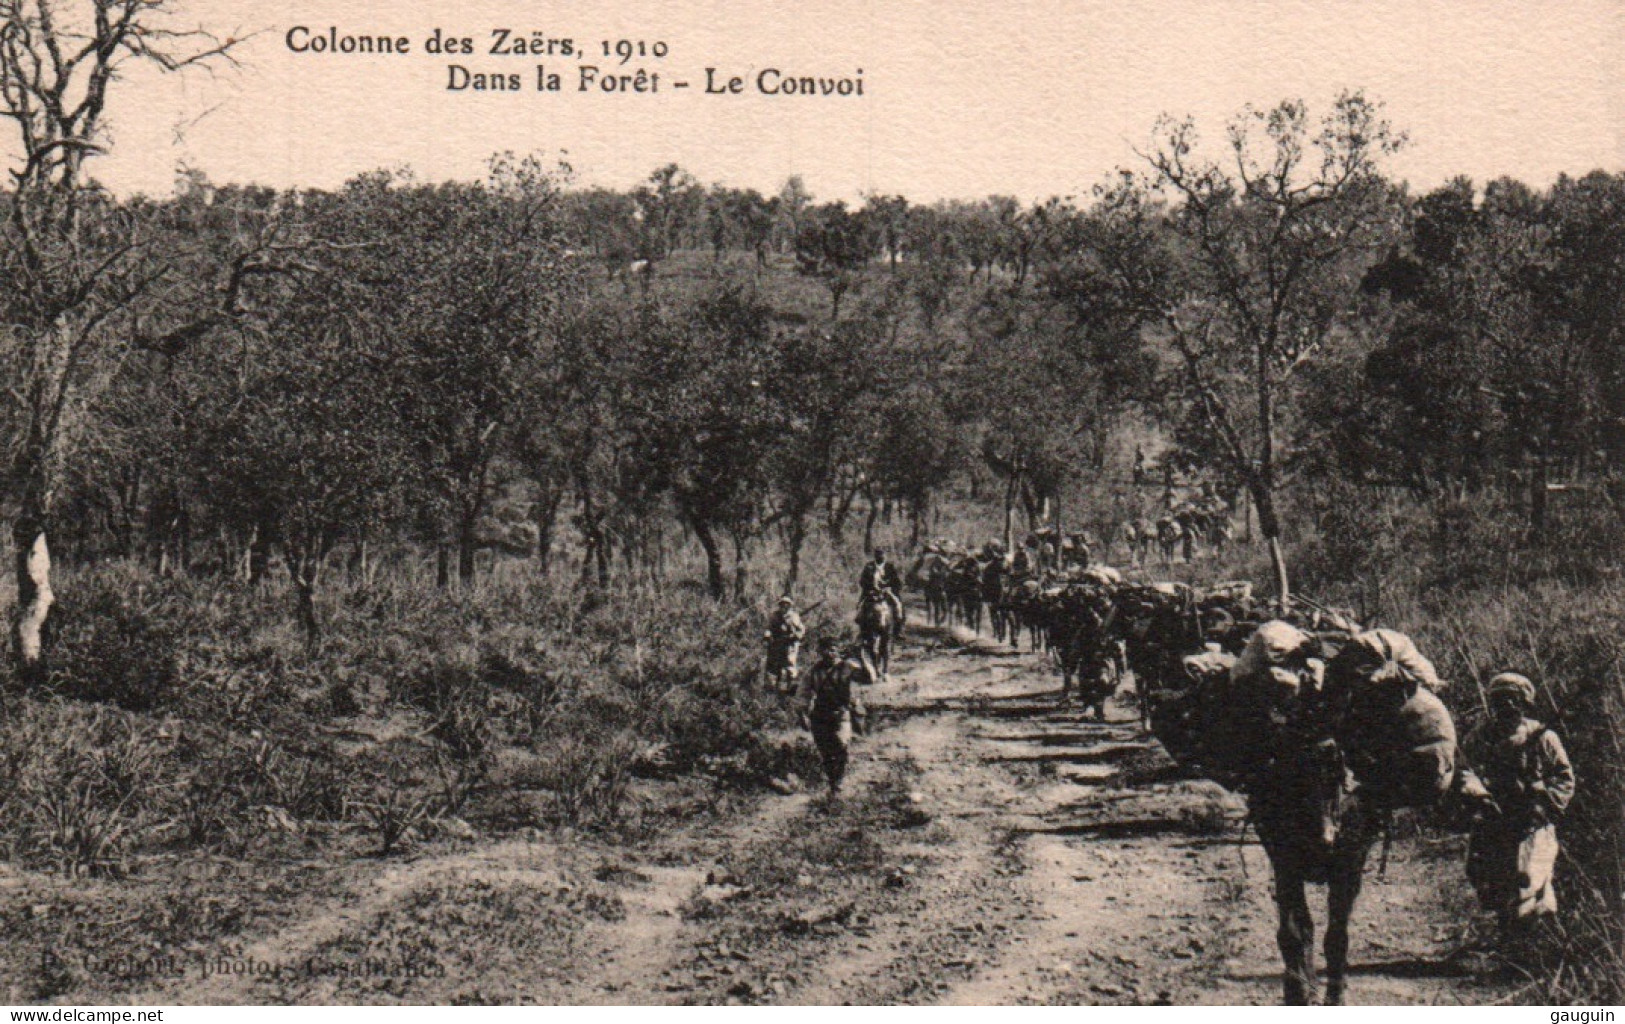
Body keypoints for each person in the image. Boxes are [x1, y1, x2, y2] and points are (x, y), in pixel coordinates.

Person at [1461, 672, 1576, 945]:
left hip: (1532, 823)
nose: (1506, 707)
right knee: (1491, 878)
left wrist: (1543, 804)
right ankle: (1507, 940)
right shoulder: (1481, 737)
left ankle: (1534, 947)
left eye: (1512, 700)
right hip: (1494, 820)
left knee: (1531, 881)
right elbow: (1464, 770)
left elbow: (1563, 777)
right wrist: (1478, 794)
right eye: (1500, 701)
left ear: (1524, 703)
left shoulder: (1543, 738)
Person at [798, 637, 869, 797]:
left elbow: (868, 678)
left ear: (838, 650)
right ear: (819, 651)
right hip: (820, 715)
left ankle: (839, 781)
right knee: (825, 751)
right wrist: (802, 714)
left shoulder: (847, 667)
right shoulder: (814, 671)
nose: (829, 653)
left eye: (833, 649)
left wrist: (864, 659)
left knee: (841, 746)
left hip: (841, 713)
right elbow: (803, 693)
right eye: (825, 649)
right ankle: (833, 783)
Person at [858, 548, 904, 638]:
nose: (881, 557)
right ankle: (862, 629)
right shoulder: (869, 567)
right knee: (860, 606)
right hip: (871, 591)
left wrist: (889, 587)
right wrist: (869, 587)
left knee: (898, 604)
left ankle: (898, 630)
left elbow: (897, 582)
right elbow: (862, 581)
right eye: (878, 555)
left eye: (882, 555)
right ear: (875, 556)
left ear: (885, 556)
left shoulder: (890, 567)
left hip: (886, 592)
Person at [764, 596, 806, 691]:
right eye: (782, 604)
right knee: (775, 665)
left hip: (790, 645)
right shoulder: (775, 616)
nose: (784, 606)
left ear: (790, 606)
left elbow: (801, 629)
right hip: (777, 643)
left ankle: (791, 686)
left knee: (790, 664)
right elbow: (769, 628)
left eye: (787, 605)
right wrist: (767, 636)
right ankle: (774, 687)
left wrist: (796, 636)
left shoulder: (794, 616)